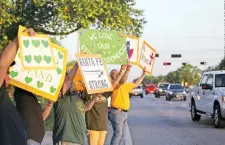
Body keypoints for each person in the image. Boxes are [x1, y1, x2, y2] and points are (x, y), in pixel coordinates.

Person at [0, 28, 35, 145]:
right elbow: (2, 64)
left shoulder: (6, 98)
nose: (9, 76)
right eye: (7, 72)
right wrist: (19, 40)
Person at [82, 64, 128, 145]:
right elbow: (85, 107)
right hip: (92, 127)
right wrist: (95, 96)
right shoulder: (87, 90)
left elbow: (115, 84)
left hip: (103, 127)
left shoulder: (105, 91)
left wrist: (121, 72)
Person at [53, 62, 97, 145]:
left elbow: (85, 108)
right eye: (67, 78)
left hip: (78, 140)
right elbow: (68, 80)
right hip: (66, 141)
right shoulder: (60, 95)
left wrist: (94, 99)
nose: (71, 81)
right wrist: (78, 63)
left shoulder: (76, 96)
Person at [109, 66, 146, 145]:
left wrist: (143, 74)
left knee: (122, 136)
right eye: (115, 74)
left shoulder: (124, 85)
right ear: (112, 76)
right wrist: (127, 69)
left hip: (124, 113)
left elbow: (136, 83)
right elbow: (121, 81)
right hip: (116, 112)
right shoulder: (113, 85)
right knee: (117, 134)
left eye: (118, 73)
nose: (117, 75)